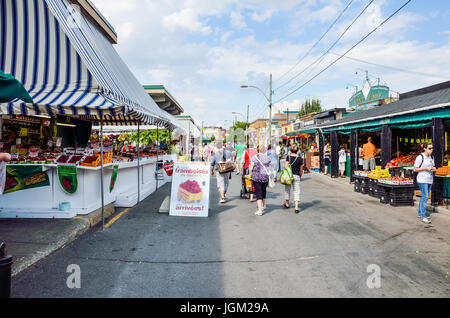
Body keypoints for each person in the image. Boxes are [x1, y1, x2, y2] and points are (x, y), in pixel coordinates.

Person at [414, 143, 436, 224]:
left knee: (424, 197)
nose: (431, 150)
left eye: (432, 148)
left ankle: (420, 213)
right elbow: (415, 169)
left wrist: (433, 168)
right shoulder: (420, 157)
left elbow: (433, 166)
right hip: (422, 179)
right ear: (425, 149)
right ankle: (423, 216)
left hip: (430, 179)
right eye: (429, 148)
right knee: (426, 197)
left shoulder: (431, 157)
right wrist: (426, 168)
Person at [249, 145, 271, 216]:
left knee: (258, 193)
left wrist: (250, 167)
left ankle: (259, 210)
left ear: (257, 150)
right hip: (265, 177)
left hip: (256, 177)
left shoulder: (254, 157)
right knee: (263, 191)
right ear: (264, 150)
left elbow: (251, 168)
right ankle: (263, 206)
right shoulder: (268, 158)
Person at [283, 144, 304, 214]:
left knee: (287, 189)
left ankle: (287, 203)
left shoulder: (288, 157)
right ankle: (296, 207)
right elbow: (301, 170)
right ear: (297, 150)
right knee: (296, 191)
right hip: (297, 176)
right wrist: (300, 176)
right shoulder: (300, 159)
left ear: (290, 150)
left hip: (289, 176)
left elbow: (285, 167)